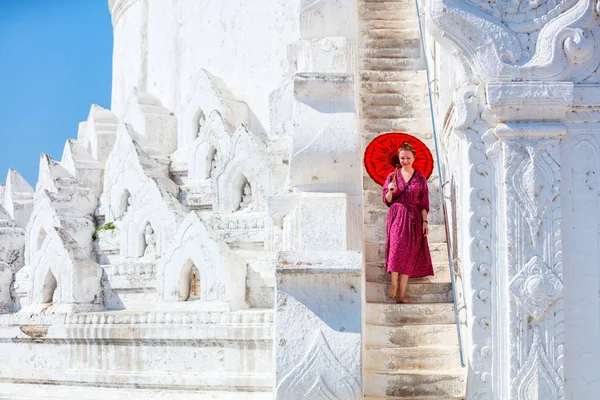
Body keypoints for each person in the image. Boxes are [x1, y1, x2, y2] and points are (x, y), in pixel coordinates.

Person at [382, 141, 434, 303]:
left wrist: (425, 221)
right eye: (402, 158)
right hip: (397, 215)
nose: (405, 161)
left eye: (408, 158)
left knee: (409, 254)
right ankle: (394, 284)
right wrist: (390, 190)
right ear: (399, 158)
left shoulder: (420, 178)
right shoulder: (393, 176)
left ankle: (402, 295)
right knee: (396, 249)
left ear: (414, 158)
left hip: (414, 218)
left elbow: (423, 202)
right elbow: (387, 200)